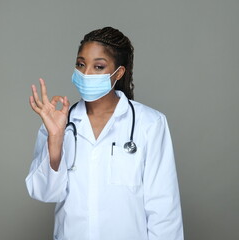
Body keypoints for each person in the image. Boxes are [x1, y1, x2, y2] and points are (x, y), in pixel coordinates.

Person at [26, 26, 184, 240]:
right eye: (80, 64)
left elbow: (164, 209)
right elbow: (44, 193)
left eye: (98, 66)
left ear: (118, 73)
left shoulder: (150, 124)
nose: (86, 73)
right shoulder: (59, 123)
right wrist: (55, 140)